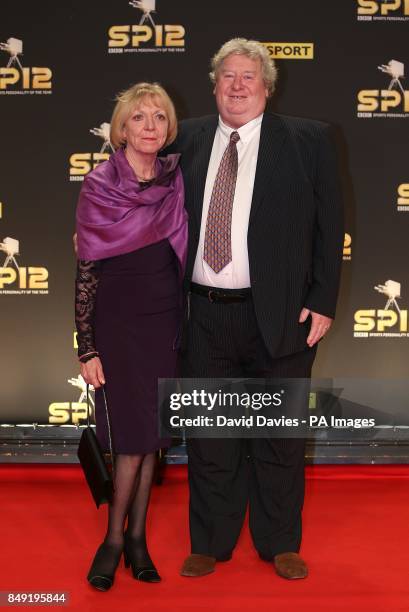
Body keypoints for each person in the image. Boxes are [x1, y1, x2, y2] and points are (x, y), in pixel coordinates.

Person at [169, 38, 344, 579]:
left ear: (267, 86)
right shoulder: (187, 139)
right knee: (210, 436)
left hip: (282, 315)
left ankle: (279, 542)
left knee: (279, 435)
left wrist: (322, 299)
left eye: (249, 76)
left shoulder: (309, 140)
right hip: (206, 315)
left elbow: (329, 227)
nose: (238, 85)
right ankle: (211, 541)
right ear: (215, 85)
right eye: (228, 76)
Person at [75, 82, 187, 591]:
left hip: (165, 319)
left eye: (159, 118)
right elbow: (86, 269)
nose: (149, 126)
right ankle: (114, 541)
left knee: (152, 438)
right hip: (117, 325)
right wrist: (87, 344)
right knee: (129, 439)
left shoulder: (176, 178)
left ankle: (137, 537)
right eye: (140, 118)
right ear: (122, 128)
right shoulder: (99, 183)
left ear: (168, 128)